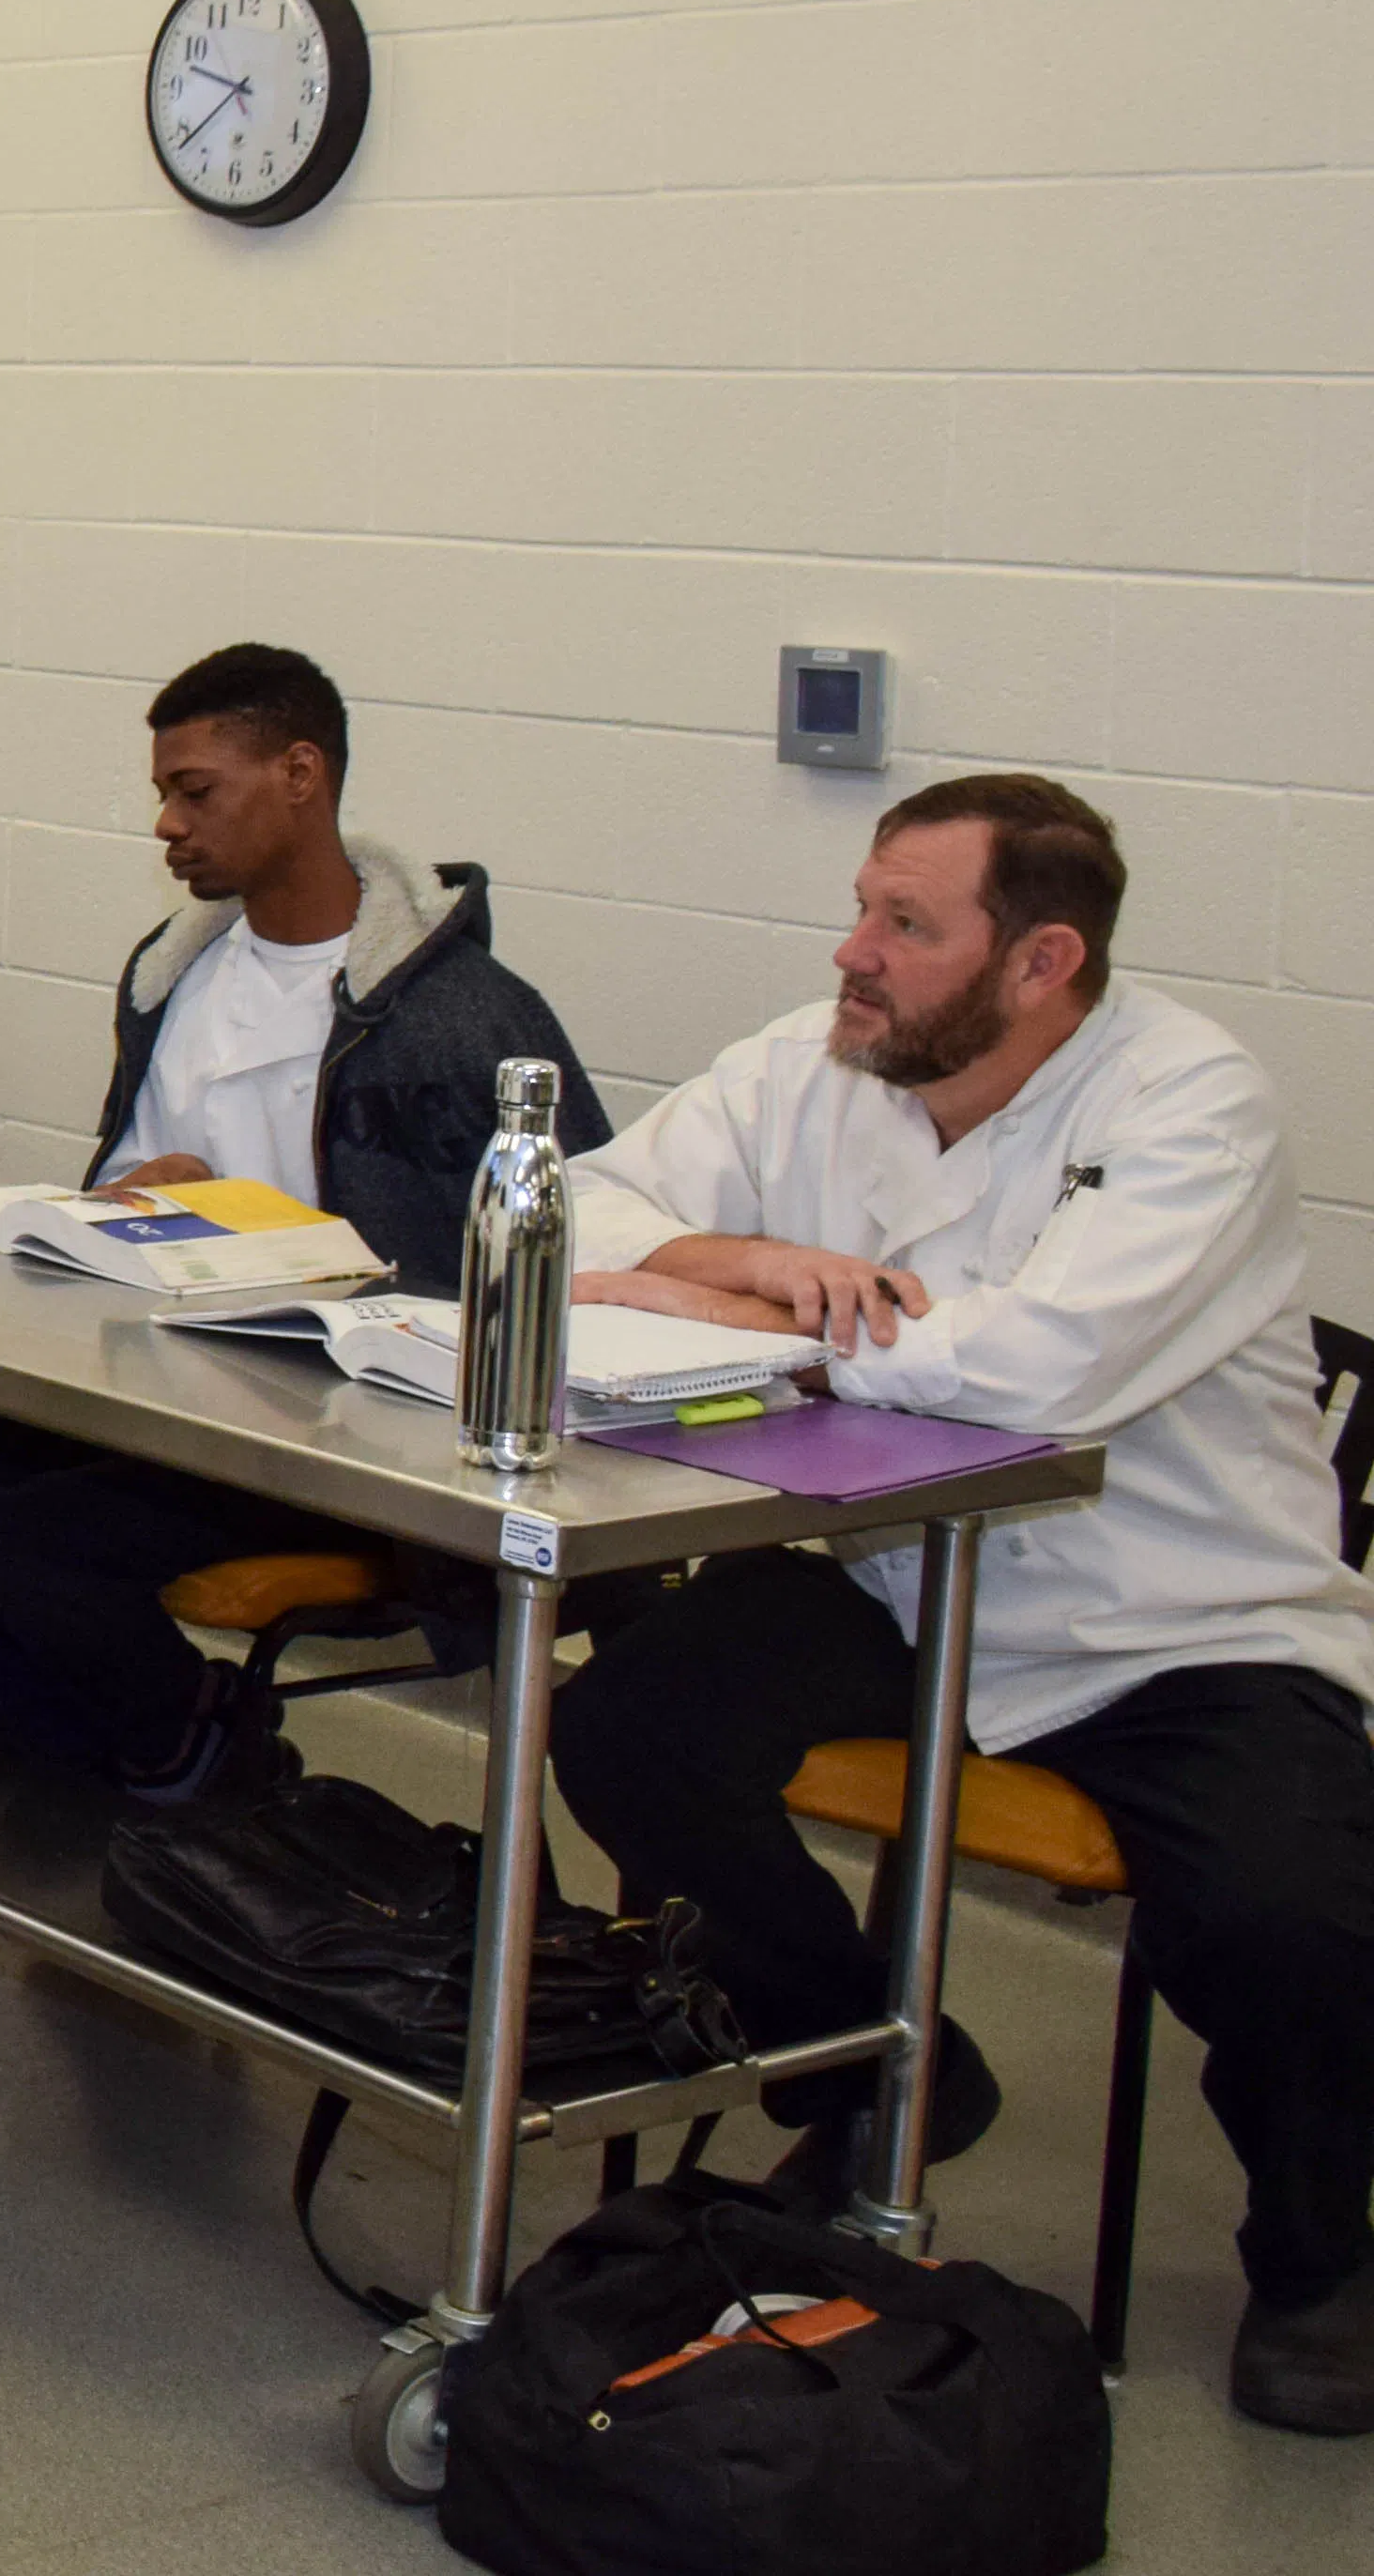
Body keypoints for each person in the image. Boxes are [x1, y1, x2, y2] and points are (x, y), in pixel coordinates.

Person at [542, 774, 1374, 2436]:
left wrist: (723, 1308)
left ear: (1042, 959)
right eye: (864, 906)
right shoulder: (820, 1054)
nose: (854, 952)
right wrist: (763, 1260)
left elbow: (1031, 1374)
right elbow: (573, 1213)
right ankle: (867, 2059)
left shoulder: (1193, 1101)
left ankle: (1320, 2259)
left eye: (906, 926)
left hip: (1176, 1618)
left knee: (1293, 1919)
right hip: (905, 1573)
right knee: (629, 1726)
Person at [0, 644, 603, 1801]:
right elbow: (124, 1179)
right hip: (161, 1375)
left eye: (195, 791)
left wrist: (280, 1230)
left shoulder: (461, 1015)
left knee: (45, 1542)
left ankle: (182, 1761)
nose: (166, 824)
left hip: (325, 1419)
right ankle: (99, 1770)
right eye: (162, 794)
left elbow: (553, 1258)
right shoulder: (175, 970)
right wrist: (134, 1199)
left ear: (301, 774)